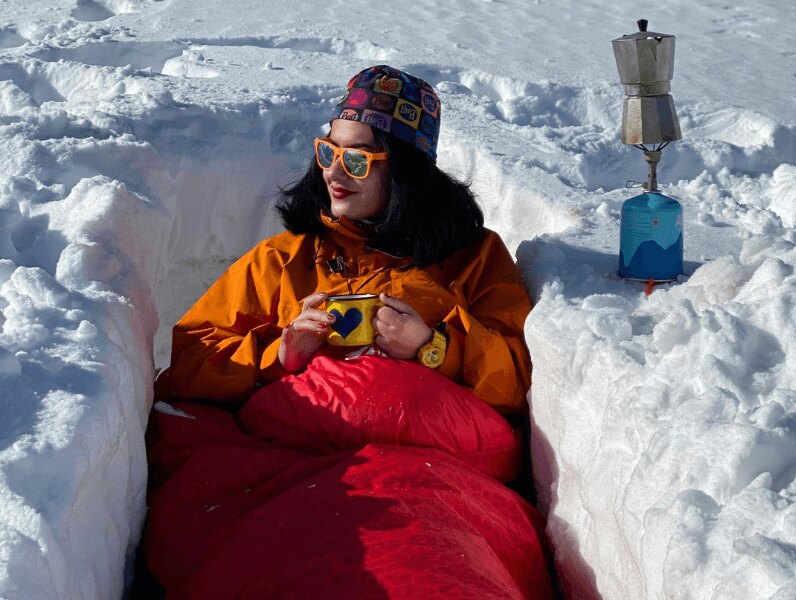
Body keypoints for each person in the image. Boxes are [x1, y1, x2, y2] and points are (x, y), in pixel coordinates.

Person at [156, 64, 533, 414]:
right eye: (329, 151)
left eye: (357, 159)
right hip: (299, 445)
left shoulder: (475, 257)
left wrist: (432, 348)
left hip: (421, 451)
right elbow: (191, 359)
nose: (334, 172)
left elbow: (519, 380)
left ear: (406, 172)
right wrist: (281, 355)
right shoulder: (283, 259)